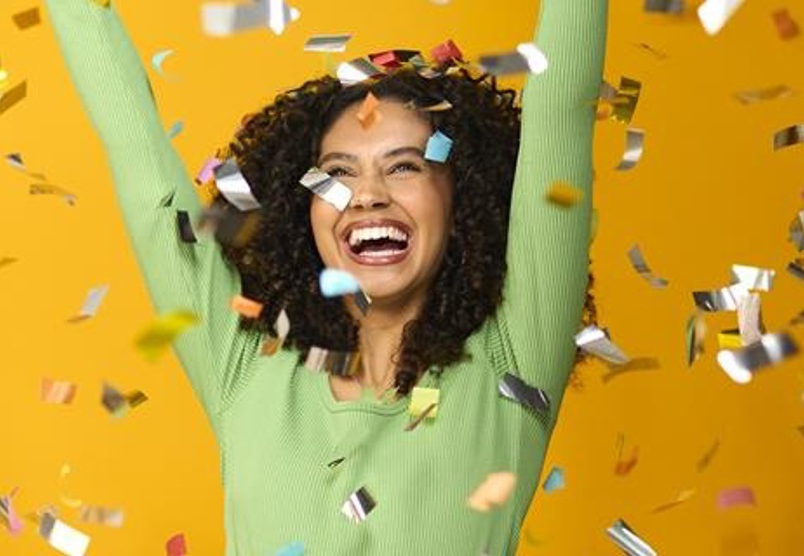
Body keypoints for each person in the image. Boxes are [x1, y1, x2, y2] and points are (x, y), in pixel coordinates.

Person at [47, 0, 606, 553]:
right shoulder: (245, 364)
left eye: (404, 165)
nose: (366, 195)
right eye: (338, 173)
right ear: (302, 209)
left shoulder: (512, 360)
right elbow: (145, 175)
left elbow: (561, 109)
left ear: (463, 199)